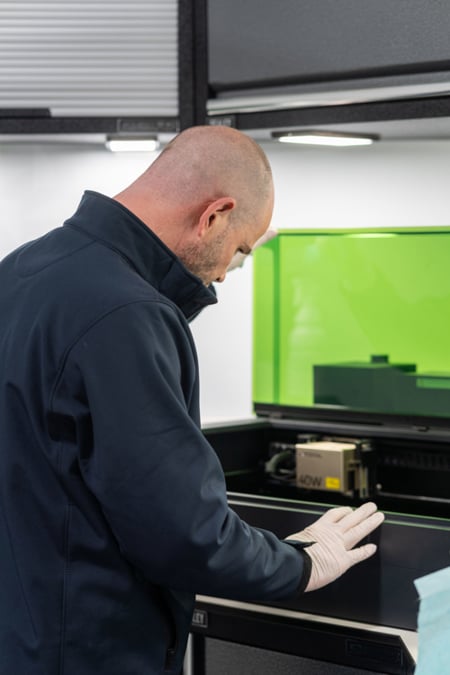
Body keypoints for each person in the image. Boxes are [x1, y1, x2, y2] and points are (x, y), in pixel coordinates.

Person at [0, 125, 384, 675]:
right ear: (214, 215)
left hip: (23, 632)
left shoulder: (25, 270)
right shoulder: (128, 316)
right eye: (239, 248)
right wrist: (299, 563)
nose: (225, 271)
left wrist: (186, 288)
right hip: (90, 649)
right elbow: (181, 535)